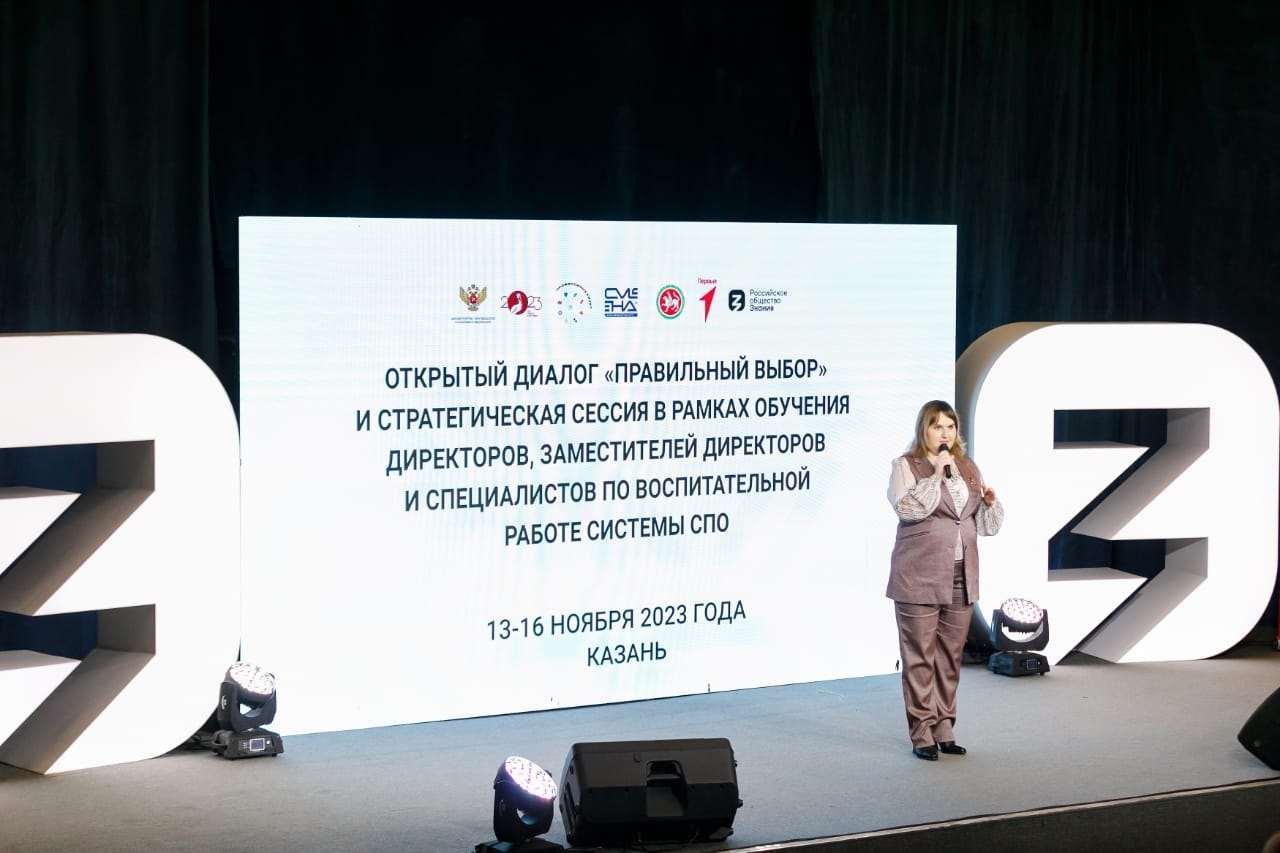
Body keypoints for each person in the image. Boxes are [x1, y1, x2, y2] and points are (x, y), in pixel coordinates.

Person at [886, 400, 1003, 761]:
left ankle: (944, 727)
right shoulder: (906, 466)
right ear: (924, 430)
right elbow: (908, 509)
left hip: (961, 574)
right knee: (919, 656)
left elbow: (985, 527)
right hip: (918, 574)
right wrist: (936, 474)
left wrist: (988, 504)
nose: (945, 434)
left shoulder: (967, 467)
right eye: (937, 426)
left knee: (950, 657)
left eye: (950, 427)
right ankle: (921, 732)